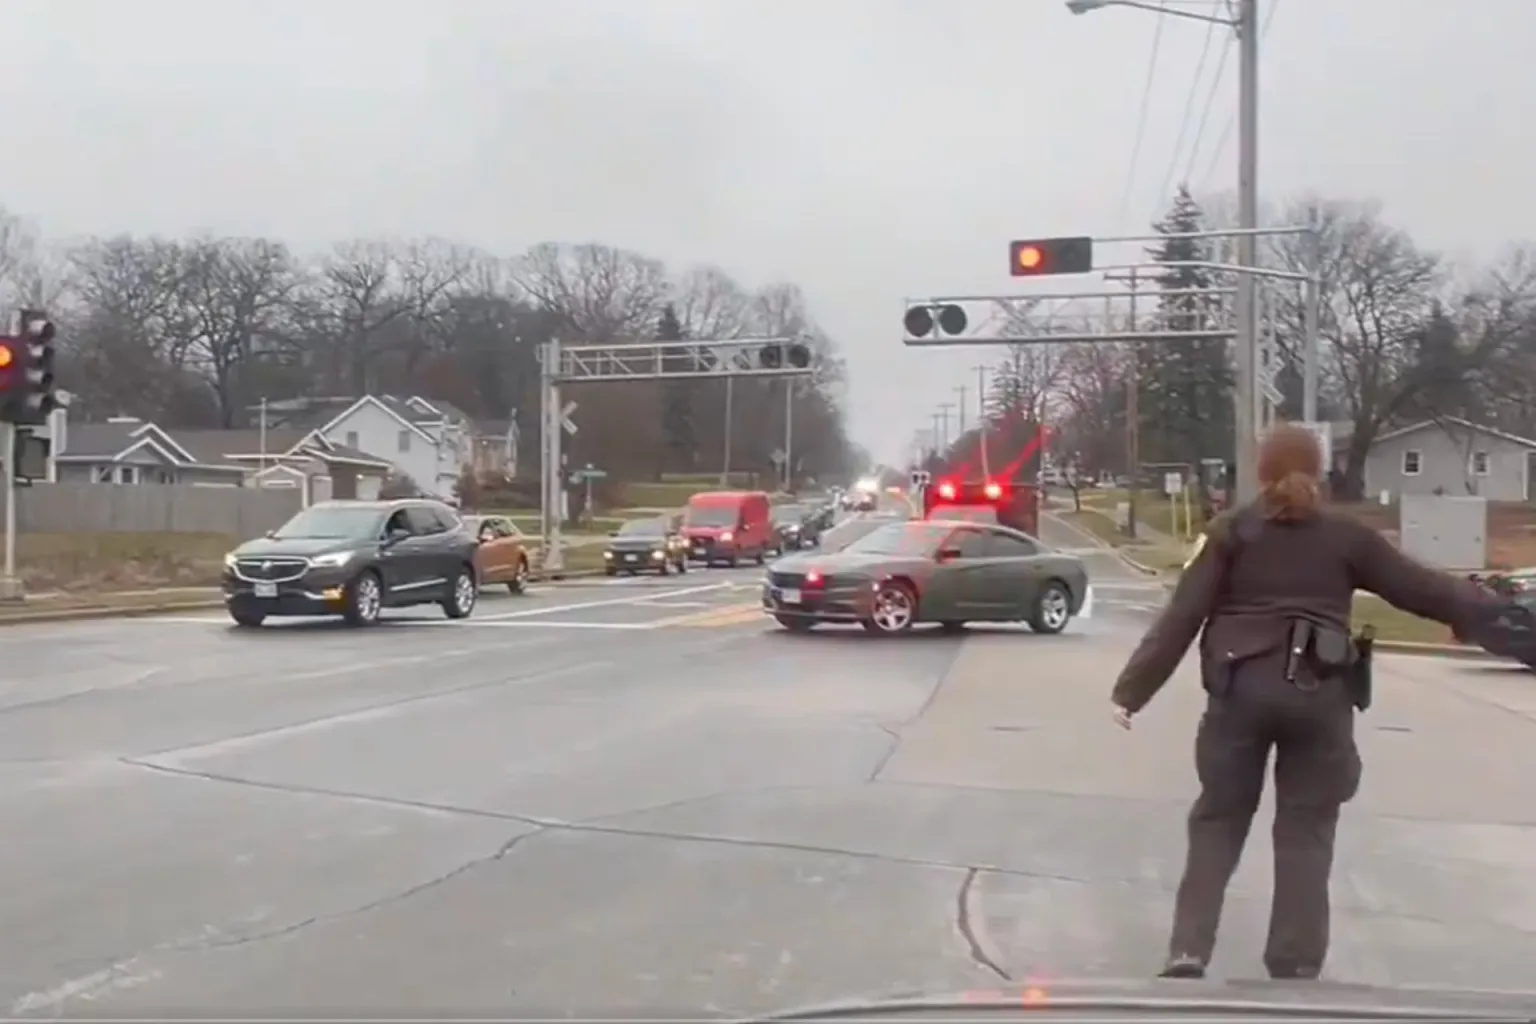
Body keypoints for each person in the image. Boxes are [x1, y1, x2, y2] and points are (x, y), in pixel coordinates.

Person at [1109, 423, 1507, 981]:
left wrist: (1132, 691)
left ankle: (1189, 951)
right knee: (1306, 831)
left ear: (1262, 470)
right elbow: (1418, 587)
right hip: (1320, 696)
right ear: (1318, 471)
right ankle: (1294, 965)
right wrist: (1478, 609)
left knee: (1218, 821)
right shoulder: (1347, 536)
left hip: (1239, 694)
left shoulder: (1229, 532)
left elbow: (1182, 615)